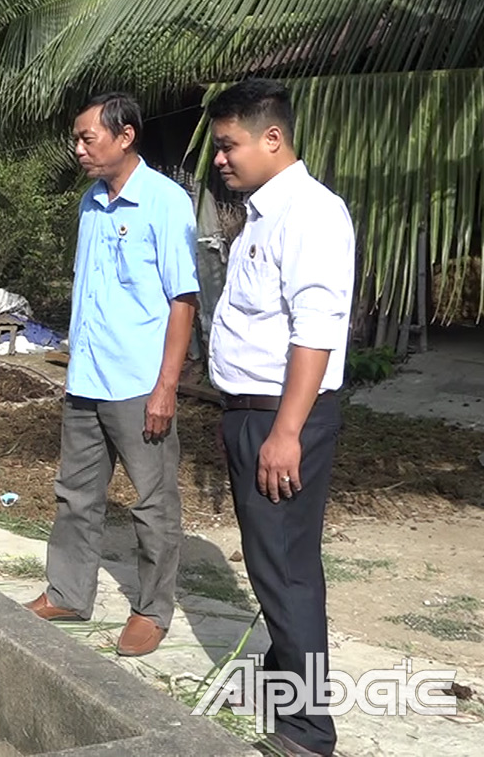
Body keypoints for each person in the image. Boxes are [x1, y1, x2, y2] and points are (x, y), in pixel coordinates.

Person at [206, 78, 354, 757]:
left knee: (287, 569)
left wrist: (287, 433)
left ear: (273, 137)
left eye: (229, 145)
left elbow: (316, 332)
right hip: (253, 413)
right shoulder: (262, 217)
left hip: (281, 418)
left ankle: (305, 732)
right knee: (277, 564)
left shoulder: (310, 215)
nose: (220, 159)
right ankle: (280, 683)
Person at [24, 92, 200, 659]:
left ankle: (151, 610)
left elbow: (183, 300)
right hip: (86, 380)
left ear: (125, 137)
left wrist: (166, 386)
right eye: (76, 139)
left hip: (138, 384)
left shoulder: (166, 203)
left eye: (87, 138)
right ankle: (69, 593)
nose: (78, 149)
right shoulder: (90, 204)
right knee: (75, 494)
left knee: (152, 502)